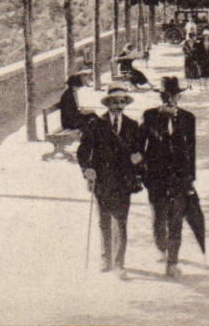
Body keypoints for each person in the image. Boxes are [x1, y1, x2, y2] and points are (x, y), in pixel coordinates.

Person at [78, 84, 145, 278]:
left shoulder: (132, 125)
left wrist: (138, 157)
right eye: (114, 102)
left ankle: (118, 264)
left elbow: (140, 150)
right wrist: (87, 169)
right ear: (107, 104)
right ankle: (105, 258)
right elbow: (83, 151)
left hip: (123, 180)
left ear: (125, 104)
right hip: (102, 180)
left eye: (121, 102)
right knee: (104, 221)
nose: (118, 106)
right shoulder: (96, 124)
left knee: (120, 222)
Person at [140, 76, 197, 279]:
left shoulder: (188, 118)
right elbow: (140, 146)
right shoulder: (149, 116)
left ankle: (172, 262)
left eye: (174, 96)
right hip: (156, 177)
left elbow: (191, 149)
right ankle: (162, 248)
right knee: (158, 219)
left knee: (176, 221)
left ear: (178, 97)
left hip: (179, 178)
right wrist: (143, 174)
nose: (171, 100)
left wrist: (190, 178)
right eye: (166, 97)